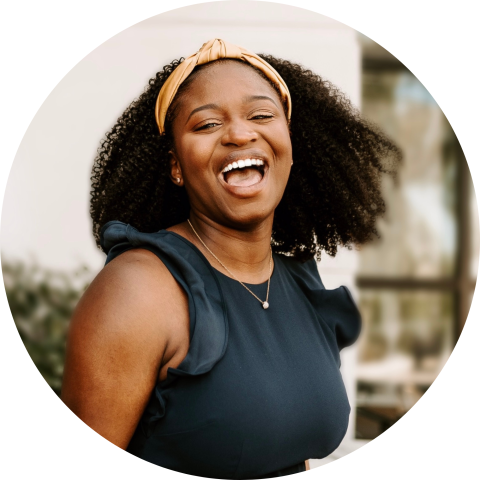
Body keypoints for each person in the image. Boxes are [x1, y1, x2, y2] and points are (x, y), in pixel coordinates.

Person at [61, 39, 400, 478]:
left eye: (261, 115)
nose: (240, 134)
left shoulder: (299, 282)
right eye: (205, 125)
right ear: (176, 166)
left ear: (292, 146)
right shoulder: (139, 290)